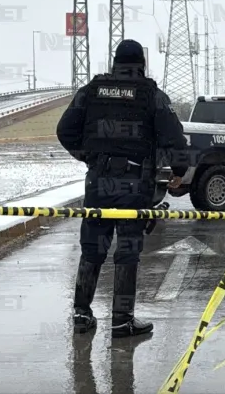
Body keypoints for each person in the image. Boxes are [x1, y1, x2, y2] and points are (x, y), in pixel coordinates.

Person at [56, 39, 188, 338]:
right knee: (127, 252)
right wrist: (179, 172)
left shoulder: (91, 91)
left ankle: (81, 314)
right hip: (134, 181)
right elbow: (174, 138)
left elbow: (65, 130)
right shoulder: (150, 94)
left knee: (92, 248)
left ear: (114, 62)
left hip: (98, 182)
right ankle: (121, 321)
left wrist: (90, 157)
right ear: (141, 63)